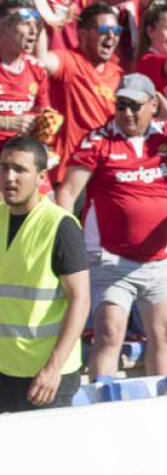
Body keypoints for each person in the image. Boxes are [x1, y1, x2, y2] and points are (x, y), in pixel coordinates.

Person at [56, 74, 167, 377]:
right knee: (109, 333)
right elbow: (66, 192)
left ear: (152, 105)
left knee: (166, 335)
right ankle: (103, 406)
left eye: (135, 106)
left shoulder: (166, 135)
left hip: (158, 259)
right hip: (109, 258)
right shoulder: (98, 140)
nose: (127, 113)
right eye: (121, 105)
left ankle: (161, 406)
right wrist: (68, 247)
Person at [0, 137, 88, 412]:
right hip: (5, 369)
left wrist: (53, 368)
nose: (9, 177)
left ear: (41, 177)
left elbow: (81, 301)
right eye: (3, 167)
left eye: (19, 169)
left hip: (45, 377)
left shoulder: (60, 226)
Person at [39, 2, 123, 185]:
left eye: (116, 29)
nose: (111, 35)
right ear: (83, 34)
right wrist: (43, 15)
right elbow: (42, 60)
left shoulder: (118, 74)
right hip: (69, 173)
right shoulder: (69, 62)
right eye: (103, 29)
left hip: (104, 173)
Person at [0, 0, 48, 147]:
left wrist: (47, 121)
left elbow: (42, 111)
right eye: (25, 24)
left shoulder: (37, 68)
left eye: (36, 24)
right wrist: (7, 122)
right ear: (2, 29)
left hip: (18, 154)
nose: (33, 31)